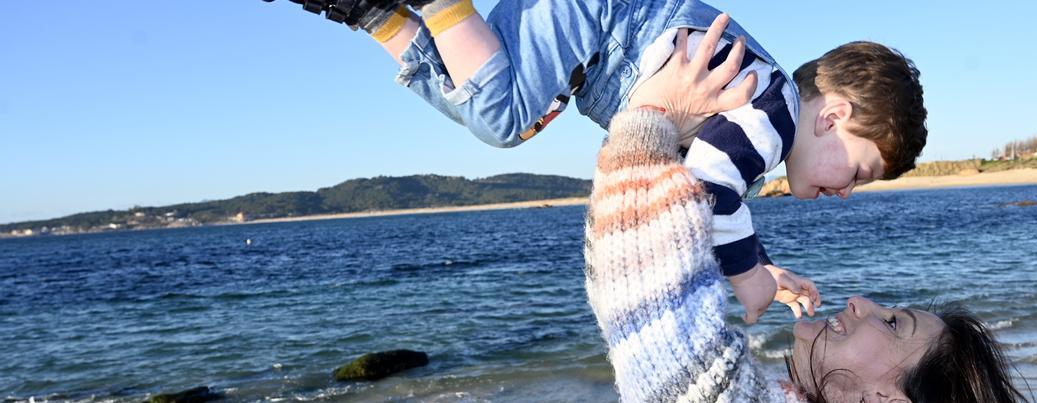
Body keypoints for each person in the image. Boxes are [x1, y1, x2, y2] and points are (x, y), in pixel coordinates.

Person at [578, 24, 1037, 403]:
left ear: (889, 402)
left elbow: (654, 323)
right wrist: (750, 265)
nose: (860, 302)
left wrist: (649, 116)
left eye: (894, 322)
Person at [264, 0, 928, 324]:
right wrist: (749, 277)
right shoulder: (773, 111)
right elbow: (713, 189)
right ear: (833, 116)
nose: (849, 192)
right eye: (862, 172)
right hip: (601, 21)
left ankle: (377, 14)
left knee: (492, 108)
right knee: (503, 116)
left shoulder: (767, 119)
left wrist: (759, 263)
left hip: (592, 38)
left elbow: (699, 195)